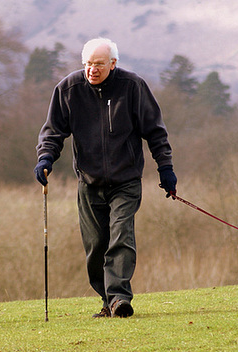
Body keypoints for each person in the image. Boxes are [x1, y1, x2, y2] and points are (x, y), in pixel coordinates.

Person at [34, 37, 177, 318]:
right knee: (96, 246)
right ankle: (107, 300)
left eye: (99, 64)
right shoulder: (68, 89)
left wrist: (166, 169)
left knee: (121, 237)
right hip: (89, 182)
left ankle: (120, 299)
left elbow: (156, 132)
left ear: (113, 63)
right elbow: (53, 131)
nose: (92, 70)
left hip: (126, 180)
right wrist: (45, 158)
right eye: (88, 64)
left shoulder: (132, 87)